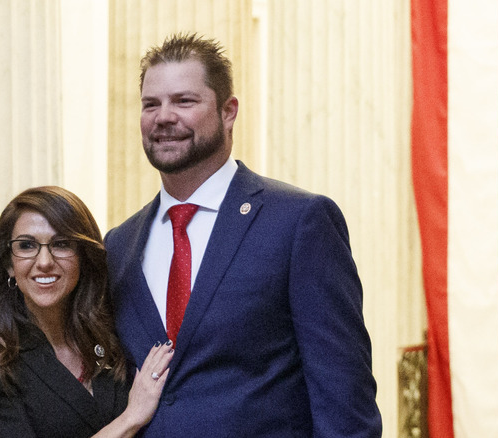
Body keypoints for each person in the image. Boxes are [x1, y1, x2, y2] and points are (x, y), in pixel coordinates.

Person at [104, 33, 382, 436]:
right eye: (151, 104)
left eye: (184, 101)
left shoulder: (298, 222)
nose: (163, 116)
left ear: (228, 111)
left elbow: (344, 400)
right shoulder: (119, 245)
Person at [0, 186, 175, 438]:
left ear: (83, 256)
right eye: (27, 245)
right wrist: (131, 418)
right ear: (9, 263)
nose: (44, 262)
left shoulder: (114, 330)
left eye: (61, 244)